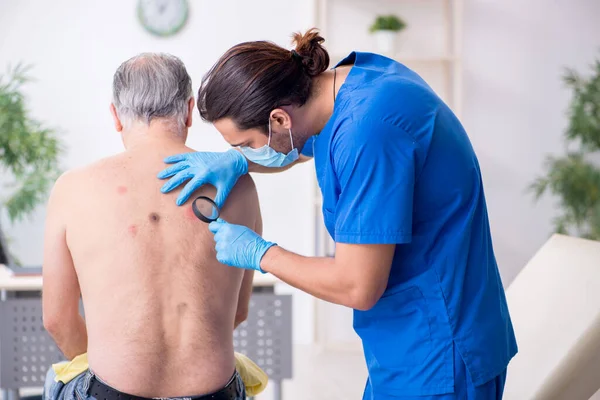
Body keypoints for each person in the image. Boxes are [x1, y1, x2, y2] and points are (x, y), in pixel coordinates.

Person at [158, 29, 518, 400]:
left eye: (246, 144)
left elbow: (356, 285)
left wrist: (260, 253)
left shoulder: (368, 131)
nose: (249, 153)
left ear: (279, 119)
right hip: (409, 335)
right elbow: (303, 146)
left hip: (440, 347)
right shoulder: (347, 86)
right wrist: (237, 161)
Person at [42, 53, 261, 400]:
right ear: (189, 110)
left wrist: (115, 365)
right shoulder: (239, 185)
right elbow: (238, 311)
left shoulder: (73, 188)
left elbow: (57, 319)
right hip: (214, 392)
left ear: (115, 116)